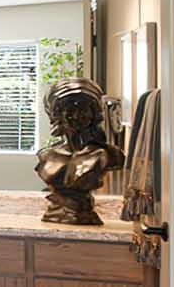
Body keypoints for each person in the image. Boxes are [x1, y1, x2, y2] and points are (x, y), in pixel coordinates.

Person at [35, 77, 119, 225]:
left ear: (94, 113)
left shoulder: (105, 155)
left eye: (83, 109)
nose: (77, 116)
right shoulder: (46, 155)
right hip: (54, 217)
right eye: (71, 109)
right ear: (57, 114)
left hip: (84, 217)